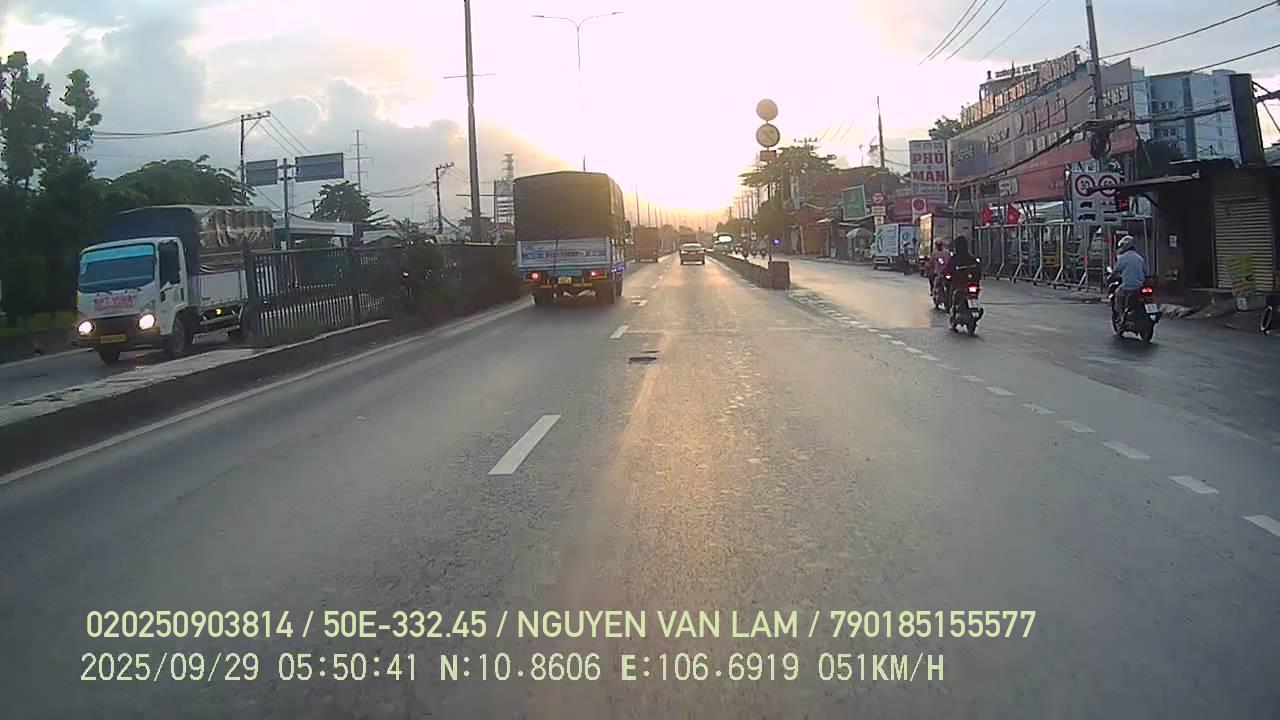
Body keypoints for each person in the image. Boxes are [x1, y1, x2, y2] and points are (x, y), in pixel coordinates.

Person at [1108, 235, 1148, 321]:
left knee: (1118, 294)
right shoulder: (1139, 258)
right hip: (1140, 286)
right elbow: (1145, 272)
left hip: (1128, 286)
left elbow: (1115, 271)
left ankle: (1121, 315)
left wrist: (1110, 277)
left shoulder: (1123, 258)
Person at [940, 235, 981, 305]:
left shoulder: (955, 259)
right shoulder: (971, 258)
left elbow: (948, 269)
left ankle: (949, 304)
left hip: (960, 283)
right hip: (966, 283)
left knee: (950, 288)